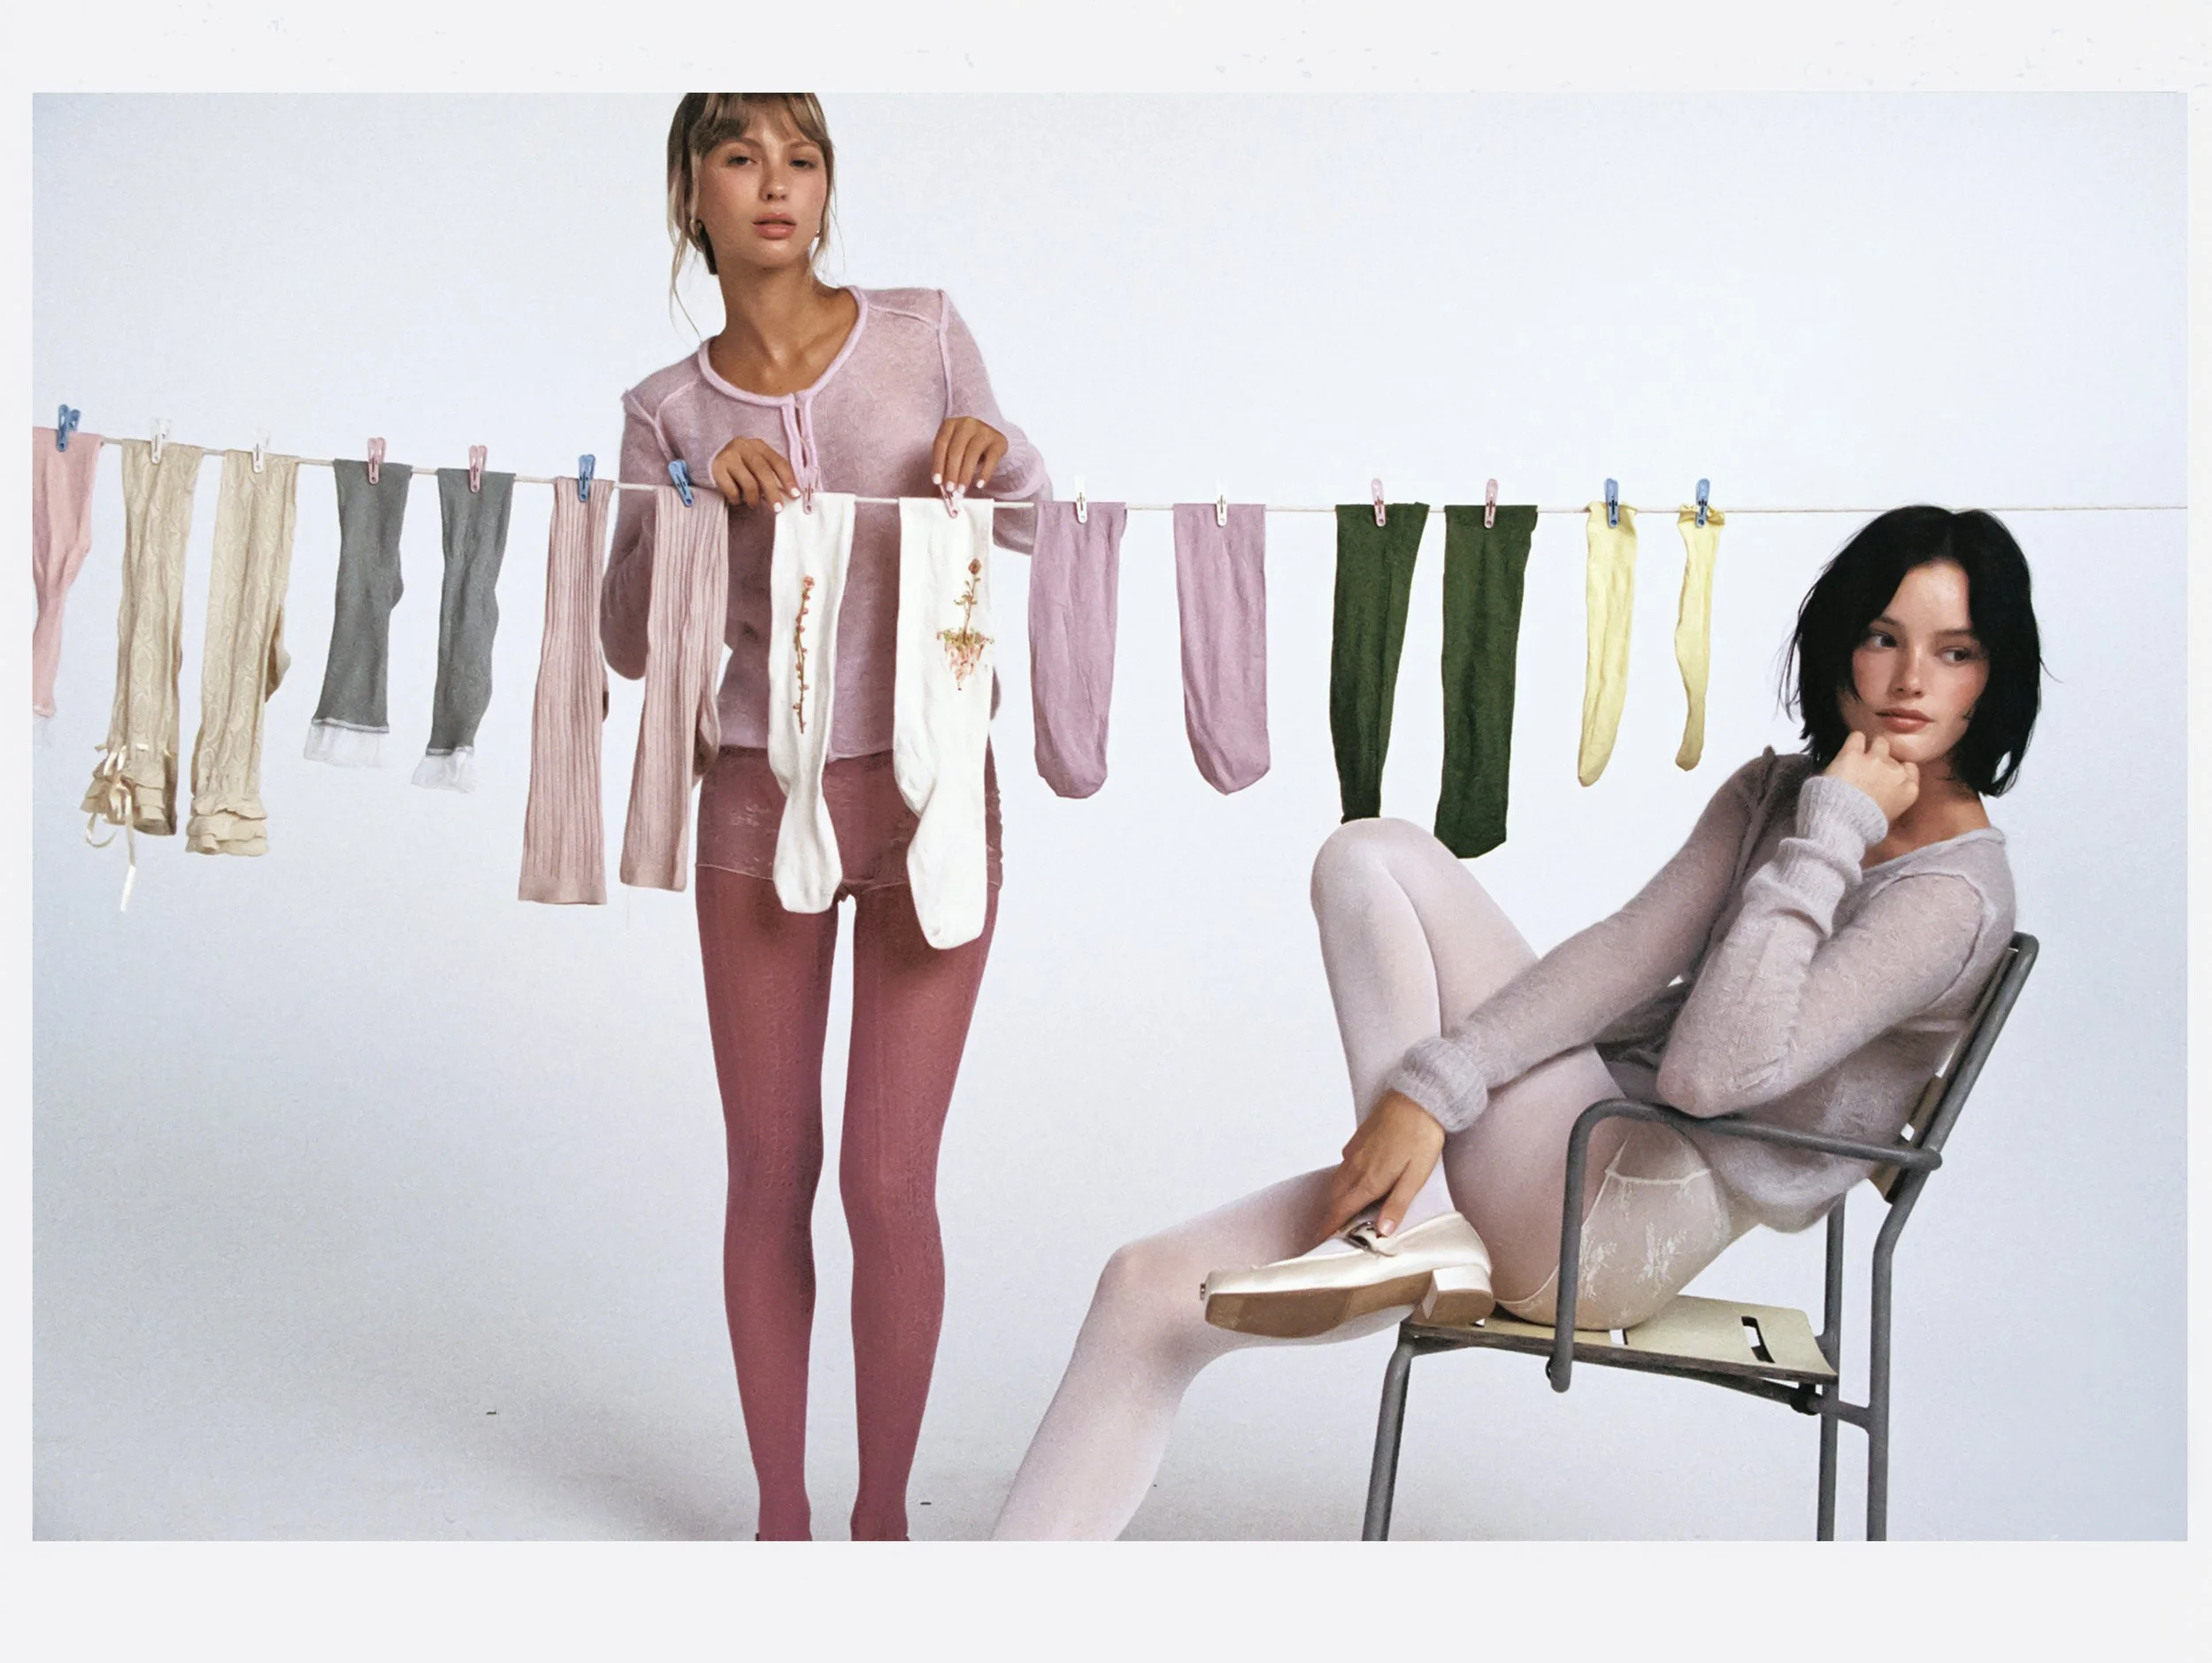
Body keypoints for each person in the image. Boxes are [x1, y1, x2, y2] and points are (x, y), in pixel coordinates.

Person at [992, 505, 2035, 1538]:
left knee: (1374, 858)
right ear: (1841, 642)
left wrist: (1835, 827)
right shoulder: (1776, 789)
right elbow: (1627, 953)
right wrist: (1432, 1088)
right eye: (1883, 637)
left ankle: (1413, 1226)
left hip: (1619, 1220)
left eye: (1954, 652)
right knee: (1144, 1289)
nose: (1910, 680)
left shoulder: (1953, 899)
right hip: (1556, 1154)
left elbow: (1709, 1076)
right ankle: (1404, 1228)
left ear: (1994, 676)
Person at [601, 93, 1048, 1541]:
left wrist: (996, 444)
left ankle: (882, 1524)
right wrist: (691, 500)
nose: (775, 182)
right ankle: (781, 1524)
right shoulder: (664, 409)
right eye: (740, 155)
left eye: (801, 155)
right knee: (770, 1172)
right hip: (756, 798)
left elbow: (1031, 516)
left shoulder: (924, 332)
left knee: (888, 1177)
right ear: (692, 191)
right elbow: (625, 639)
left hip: (932, 797)